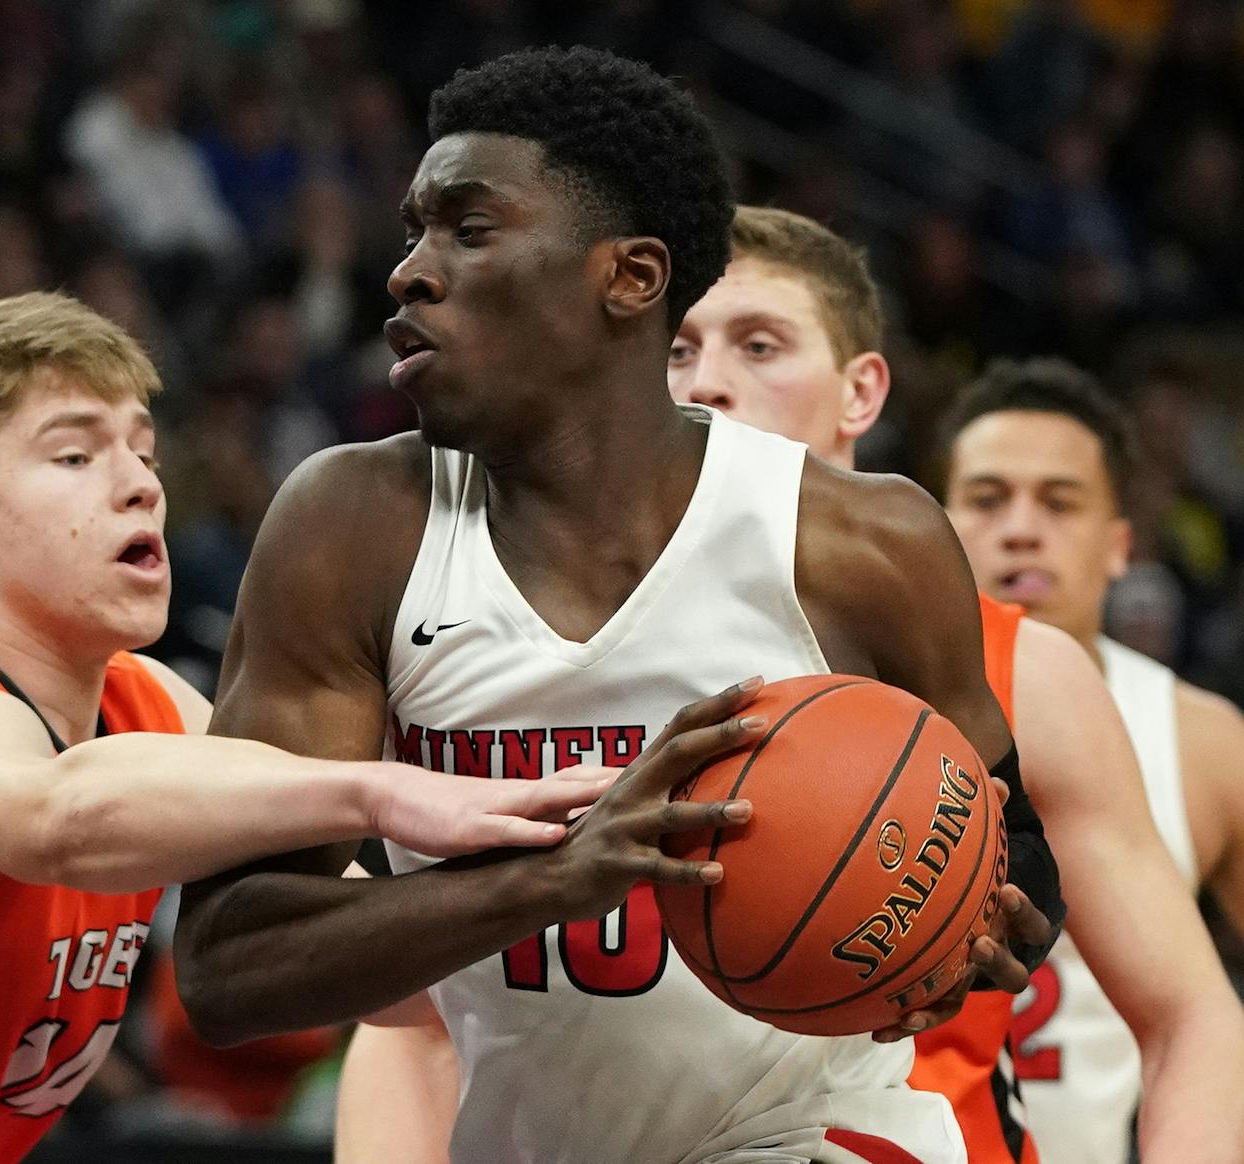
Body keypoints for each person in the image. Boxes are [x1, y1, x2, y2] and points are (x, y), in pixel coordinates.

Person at [175, 48, 1062, 1164]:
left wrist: (973, 927)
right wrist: (559, 877)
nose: (407, 270)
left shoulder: (855, 541)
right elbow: (225, 967)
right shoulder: (351, 528)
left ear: (631, 278)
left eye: (467, 227)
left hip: (819, 1132)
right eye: (412, 231)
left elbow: (1013, 842)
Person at [335, 205, 1244, 1164]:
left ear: (861, 395)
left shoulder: (1016, 667)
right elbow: (415, 1027)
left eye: (760, 345)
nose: (709, 381)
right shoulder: (530, 655)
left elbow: (1192, 1018)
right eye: (676, 350)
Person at [0, 290, 614, 1164]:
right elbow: (59, 816)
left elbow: (381, 968)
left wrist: (575, 872)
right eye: (77, 455)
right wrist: (382, 787)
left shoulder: (150, 704)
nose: (139, 485)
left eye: (145, 452)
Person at [940, 358, 1244, 1164]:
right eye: (986, 498)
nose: (1021, 529)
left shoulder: (1204, 741)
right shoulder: (864, 709)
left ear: (1119, 547)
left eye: (1059, 502)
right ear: (929, 527)